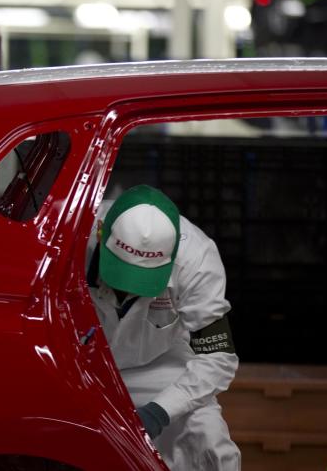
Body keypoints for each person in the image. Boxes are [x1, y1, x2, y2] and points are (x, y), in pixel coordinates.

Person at [86, 185, 240, 470]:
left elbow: (217, 358)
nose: (127, 290)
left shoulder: (198, 258)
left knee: (207, 438)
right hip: (80, 363)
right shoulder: (69, 236)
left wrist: (159, 412)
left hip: (157, 364)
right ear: (100, 233)